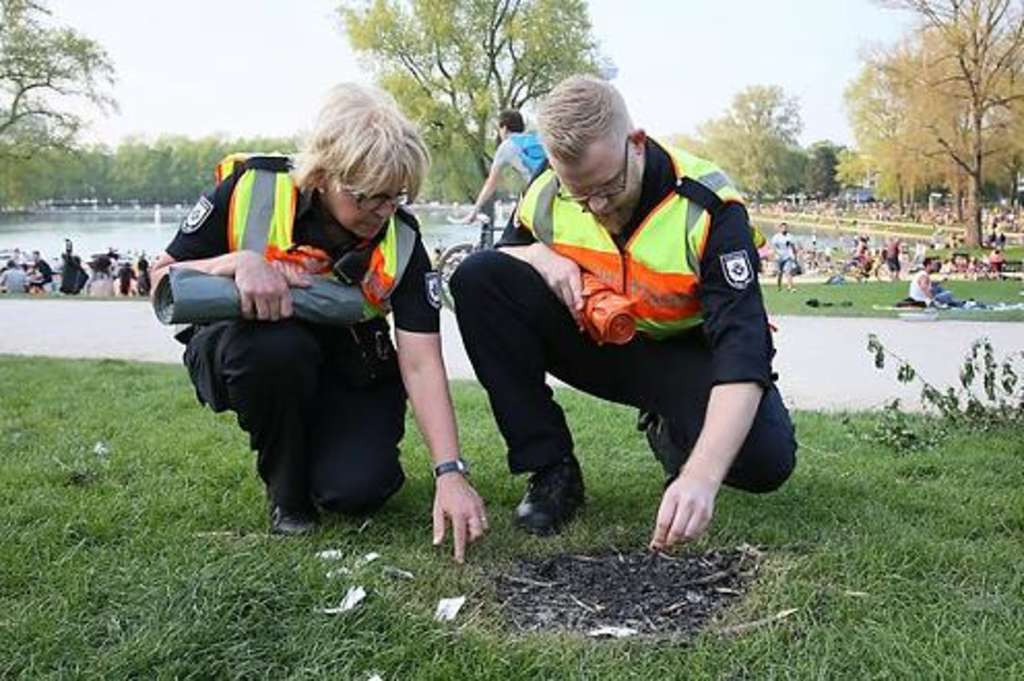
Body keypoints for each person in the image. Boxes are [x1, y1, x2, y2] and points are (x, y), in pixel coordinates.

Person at [450, 76, 796, 550]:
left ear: (636, 143)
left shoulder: (709, 206)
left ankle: (672, 433)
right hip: (598, 338)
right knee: (475, 277)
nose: (596, 207)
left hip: (685, 355)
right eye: (580, 194)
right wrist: (540, 256)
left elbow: (744, 347)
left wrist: (701, 476)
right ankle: (552, 469)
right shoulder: (547, 190)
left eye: (609, 188)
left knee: (766, 460)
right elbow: (505, 258)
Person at [149, 83, 487, 561]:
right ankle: (286, 493)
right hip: (256, 347)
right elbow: (159, 277)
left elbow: (421, 364)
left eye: (396, 197)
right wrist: (235, 263)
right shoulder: (251, 189)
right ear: (325, 175)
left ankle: (326, 453)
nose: (383, 212)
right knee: (277, 349)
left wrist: (450, 471)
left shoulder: (402, 240)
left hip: (350, 363)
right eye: (369, 196)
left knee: (357, 491)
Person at [461, 110, 547, 226]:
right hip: (558, 188)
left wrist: (475, 211)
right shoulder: (537, 138)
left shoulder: (506, 146)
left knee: (514, 233)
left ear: (505, 128)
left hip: (540, 194)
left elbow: (491, 183)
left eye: (499, 129)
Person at [769, 223, 798, 291]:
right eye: (782, 228)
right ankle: (778, 286)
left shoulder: (790, 237)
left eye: (785, 228)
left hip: (787, 257)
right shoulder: (776, 237)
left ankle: (790, 287)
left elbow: (793, 247)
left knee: (788, 272)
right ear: (780, 229)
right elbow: (773, 247)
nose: (784, 229)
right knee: (779, 273)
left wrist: (795, 255)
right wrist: (774, 255)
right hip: (778, 257)